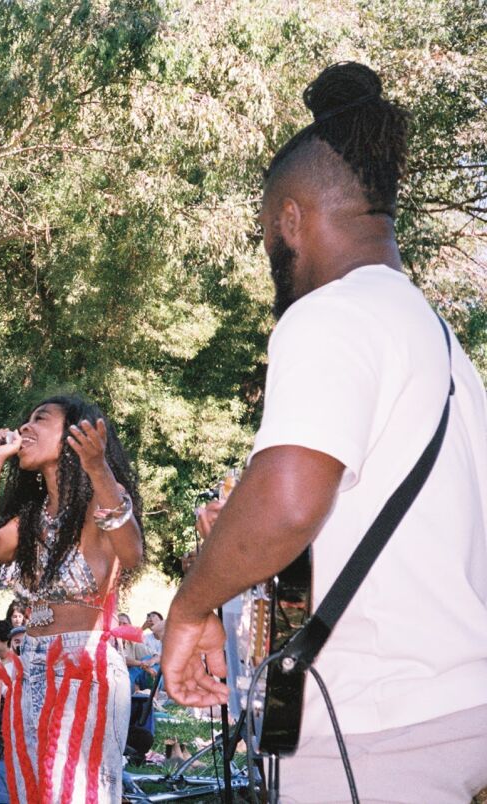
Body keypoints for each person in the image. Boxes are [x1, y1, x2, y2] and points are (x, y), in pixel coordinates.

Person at [160, 62, 487, 803]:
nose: (270, 254)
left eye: (266, 232)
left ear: (290, 219)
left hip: (380, 735)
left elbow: (290, 499)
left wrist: (191, 605)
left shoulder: (329, 315)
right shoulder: (439, 344)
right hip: (460, 709)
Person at [0, 394, 144, 803]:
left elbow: (132, 551)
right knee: (32, 790)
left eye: (40, 419)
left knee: (77, 793)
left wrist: (98, 467)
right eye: (25, 420)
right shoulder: (32, 517)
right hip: (30, 661)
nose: (25, 428)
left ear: (73, 436)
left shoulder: (101, 498)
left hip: (82, 664)